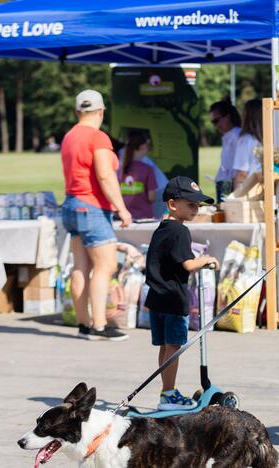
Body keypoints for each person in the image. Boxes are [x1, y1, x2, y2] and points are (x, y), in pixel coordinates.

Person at [60, 89, 133, 342]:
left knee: (80, 266)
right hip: (92, 206)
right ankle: (100, 325)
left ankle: (83, 323)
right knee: (106, 266)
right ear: (101, 111)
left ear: (77, 111)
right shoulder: (98, 137)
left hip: (71, 204)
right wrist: (121, 208)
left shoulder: (69, 136)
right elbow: (105, 175)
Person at [144, 176, 219, 410]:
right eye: (190, 204)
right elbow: (187, 264)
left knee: (165, 347)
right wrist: (207, 260)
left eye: (197, 205)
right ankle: (169, 394)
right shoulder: (180, 231)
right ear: (172, 204)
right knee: (173, 348)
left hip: (157, 298)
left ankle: (166, 391)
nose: (195, 209)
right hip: (174, 299)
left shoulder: (162, 229)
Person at [118, 133, 159, 220]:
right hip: (144, 217)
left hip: (124, 217)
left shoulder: (120, 169)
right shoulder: (148, 169)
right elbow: (151, 197)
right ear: (142, 147)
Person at [209, 100, 241, 203]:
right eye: (212, 122)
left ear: (227, 117)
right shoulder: (229, 135)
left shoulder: (236, 135)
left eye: (216, 121)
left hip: (230, 185)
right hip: (226, 184)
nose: (215, 125)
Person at [232, 99, 263, 191]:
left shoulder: (245, 140)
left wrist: (235, 197)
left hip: (251, 190)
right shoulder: (277, 137)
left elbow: (242, 173)